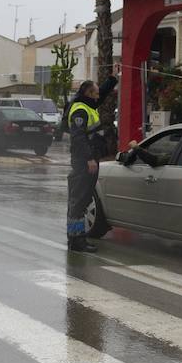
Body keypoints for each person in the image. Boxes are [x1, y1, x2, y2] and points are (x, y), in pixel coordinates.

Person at [65, 75, 118, 252]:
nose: (98, 96)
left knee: (82, 200)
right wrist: (89, 158)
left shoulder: (87, 104)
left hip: (89, 159)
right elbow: (79, 137)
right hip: (83, 161)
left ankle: (76, 238)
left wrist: (113, 79)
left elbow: (102, 94)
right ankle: (76, 241)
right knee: (79, 201)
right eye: (95, 93)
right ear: (89, 94)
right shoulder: (80, 110)